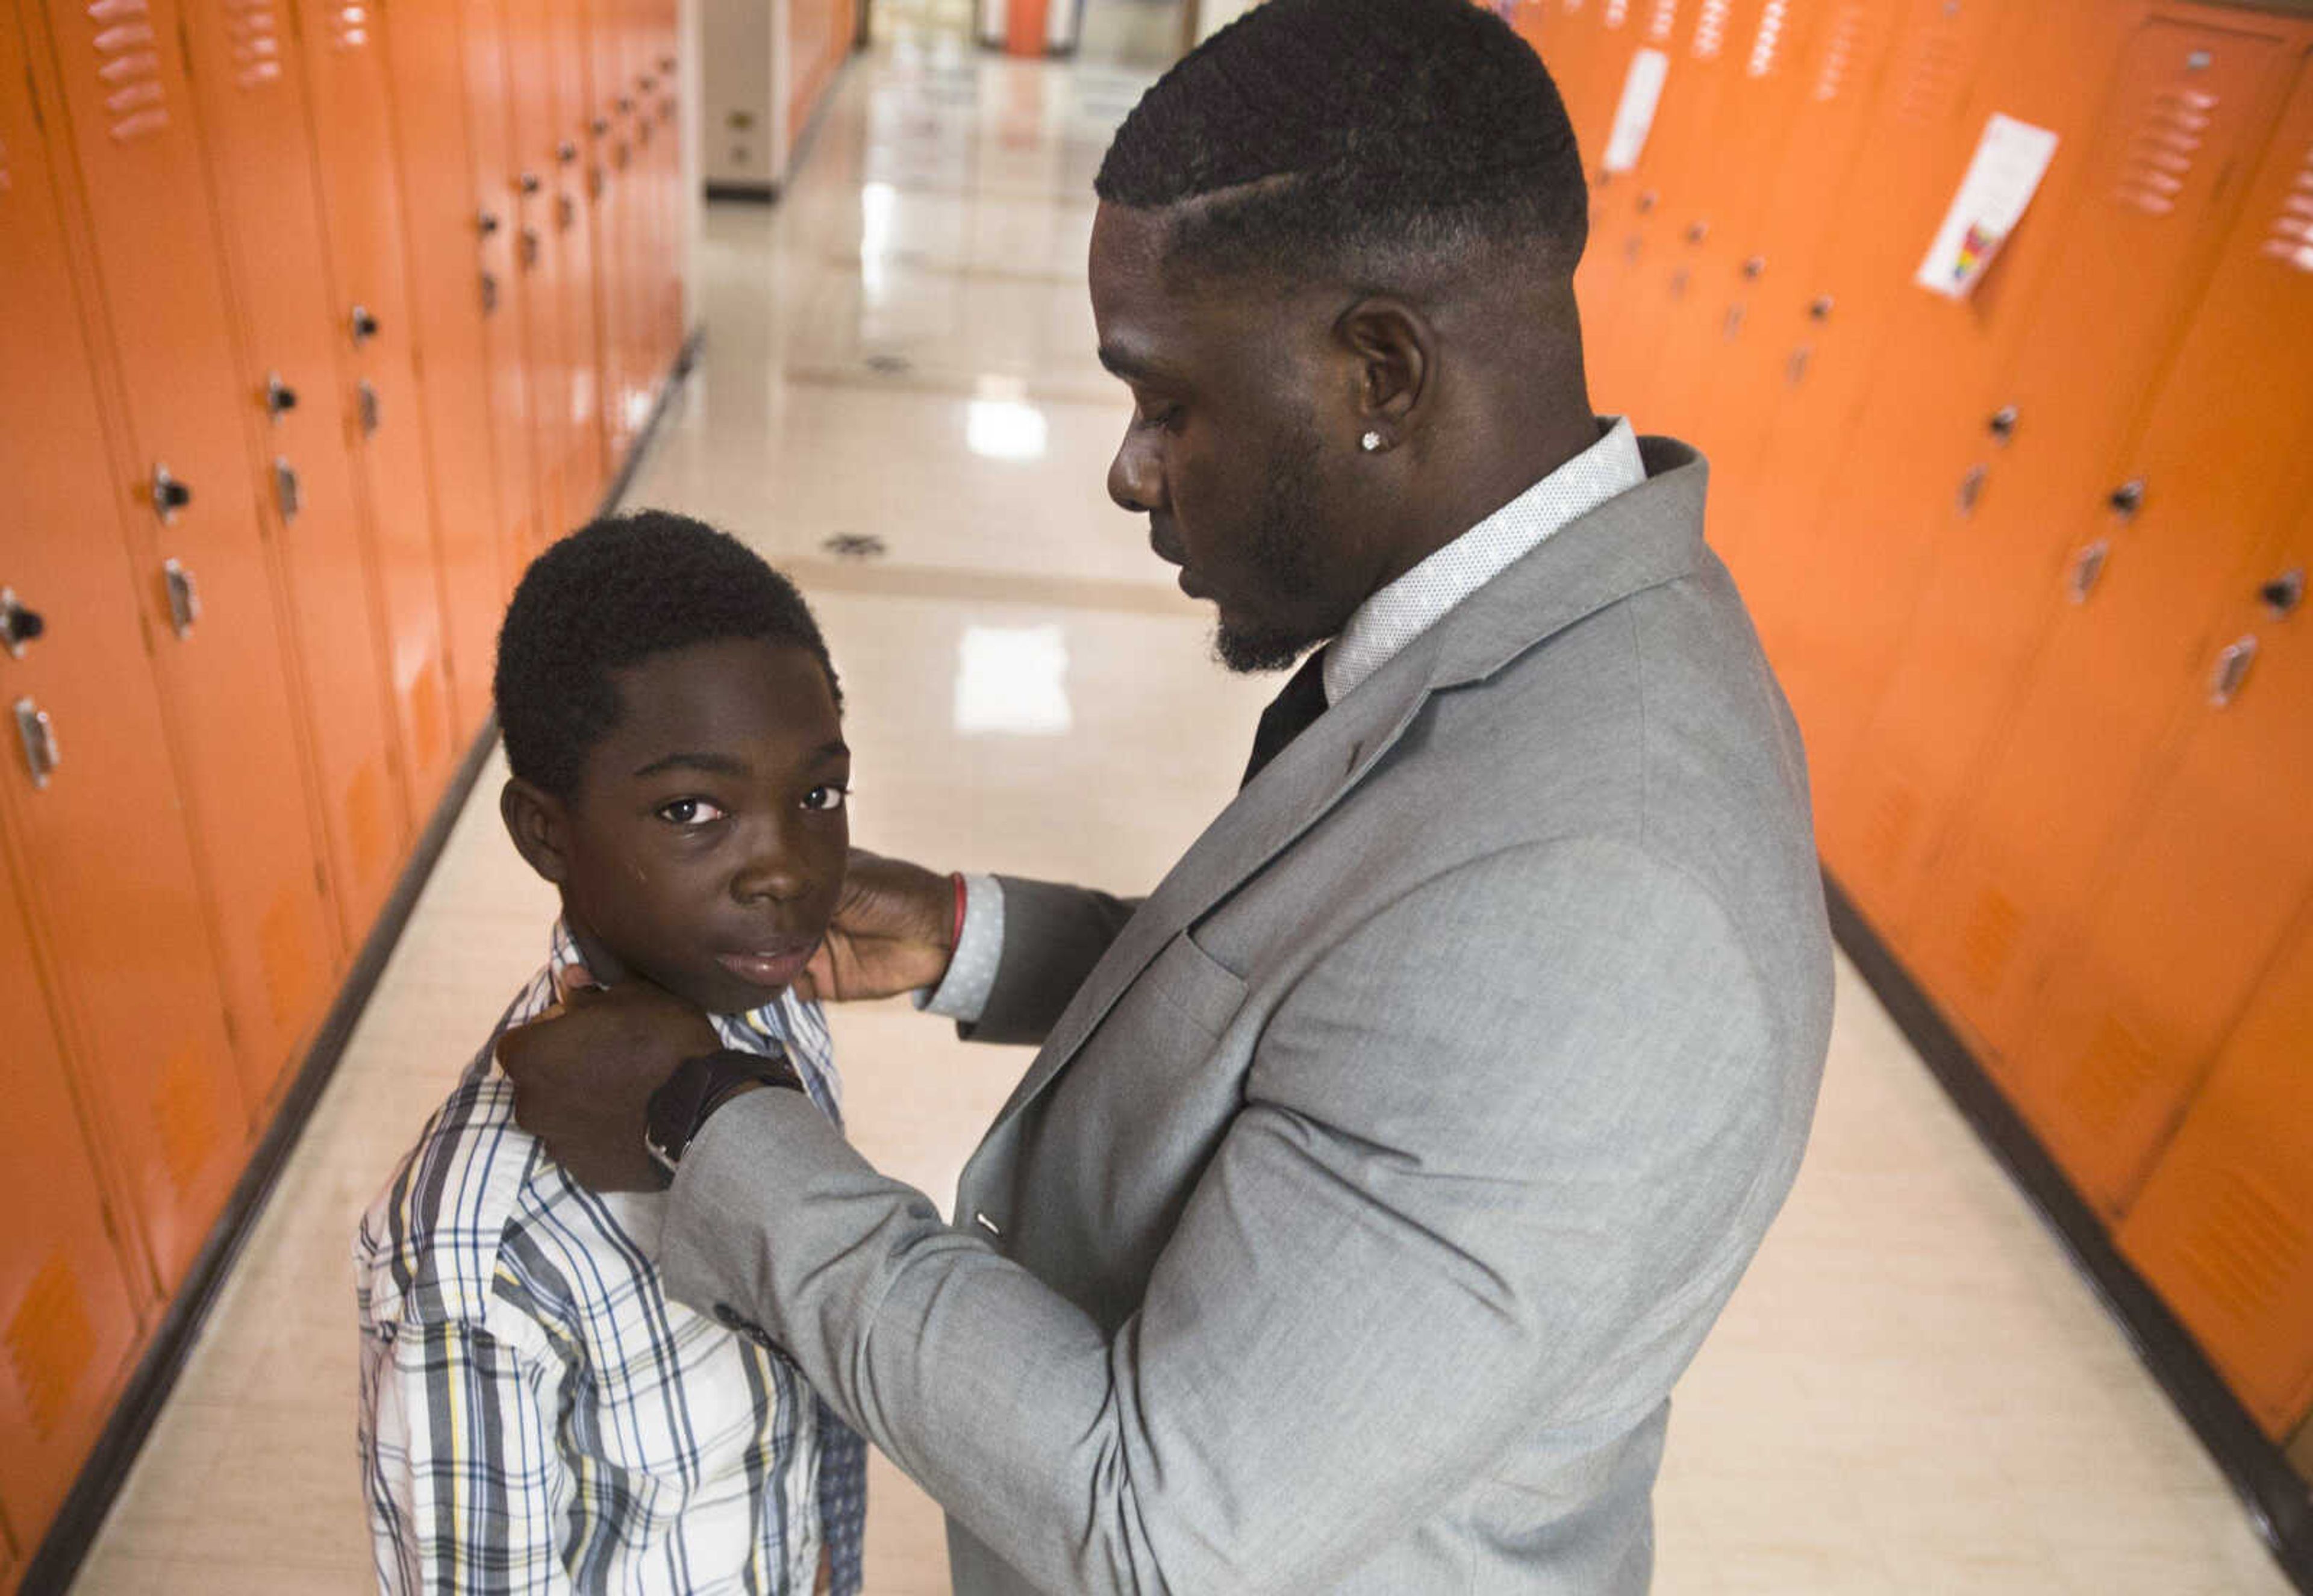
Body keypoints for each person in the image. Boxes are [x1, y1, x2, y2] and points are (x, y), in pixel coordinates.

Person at [499, 1, 1836, 1589]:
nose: (1130, 470)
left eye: (1169, 400)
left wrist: (706, 1120)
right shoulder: (1555, 633)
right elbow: (1350, 1005)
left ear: (1381, 371)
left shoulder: (1602, 901)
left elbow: (1157, 1525)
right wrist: (965, 938)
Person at [354, 512, 867, 1595]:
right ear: (545, 833)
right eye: (693, 809)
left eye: (817, 793)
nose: (784, 868)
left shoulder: (768, 1006)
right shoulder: (480, 1253)